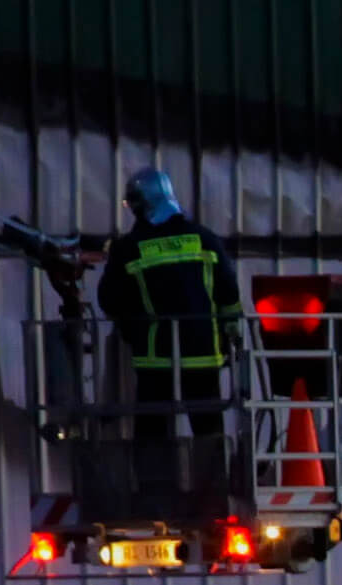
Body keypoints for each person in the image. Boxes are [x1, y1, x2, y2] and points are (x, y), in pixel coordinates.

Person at [96, 167, 243, 506]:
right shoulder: (205, 239)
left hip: (155, 356)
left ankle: (154, 491)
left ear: (140, 203)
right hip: (205, 353)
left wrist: (133, 327)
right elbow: (229, 293)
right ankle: (213, 492)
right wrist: (230, 332)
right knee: (207, 425)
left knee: (152, 427)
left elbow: (110, 300)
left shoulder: (130, 249)